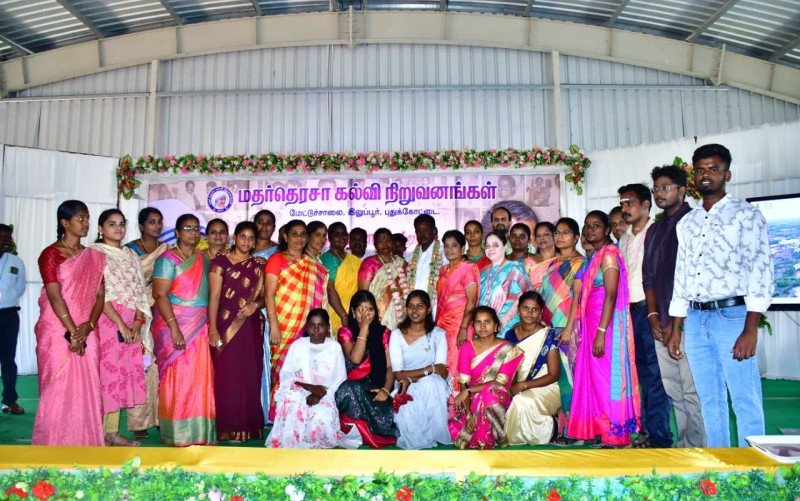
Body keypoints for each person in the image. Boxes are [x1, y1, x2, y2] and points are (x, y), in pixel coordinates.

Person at [668, 144, 773, 448]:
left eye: (713, 169)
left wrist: (750, 329)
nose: (706, 174)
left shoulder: (746, 215)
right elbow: (682, 274)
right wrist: (677, 327)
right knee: (709, 399)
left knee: (744, 398)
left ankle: (754, 468)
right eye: (700, 169)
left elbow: (760, 270)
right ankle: (721, 465)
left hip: (733, 317)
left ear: (727, 174)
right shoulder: (687, 223)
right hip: (696, 319)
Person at [33, 200, 106, 445]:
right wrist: (74, 333)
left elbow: (100, 295)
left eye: (87, 218)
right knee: (57, 384)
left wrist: (90, 326)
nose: (86, 223)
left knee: (87, 385)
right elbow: (55, 296)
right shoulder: (50, 254)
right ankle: (53, 444)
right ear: (65, 223)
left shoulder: (94, 256)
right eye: (80, 218)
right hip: (57, 328)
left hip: (87, 328)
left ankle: (86, 443)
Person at [643, 165, 705, 447]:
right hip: (660, 323)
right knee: (673, 389)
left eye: (665, 187)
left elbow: (693, 277)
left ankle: (698, 448)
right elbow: (648, 278)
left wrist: (674, 322)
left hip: (688, 321)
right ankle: (683, 446)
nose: (659, 193)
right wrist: (654, 317)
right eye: (656, 188)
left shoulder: (695, 223)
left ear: (682, 190)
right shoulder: (655, 230)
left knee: (692, 390)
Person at [567, 211, 640, 448]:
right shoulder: (595, 256)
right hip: (592, 327)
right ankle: (602, 430)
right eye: (587, 226)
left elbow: (610, 295)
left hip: (604, 328)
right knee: (595, 380)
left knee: (607, 380)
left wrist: (601, 332)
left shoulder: (608, 254)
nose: (590, 230)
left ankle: (616, 435)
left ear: (607, 229)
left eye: (596, 225)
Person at [152, 214, 216, 446]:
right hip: (175, 325)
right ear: (177, 232)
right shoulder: (166, 260)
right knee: (177, 377)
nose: (192, 232)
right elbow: (159, 295)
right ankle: (177, 432)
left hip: (200, 327)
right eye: (187, 228)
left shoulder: (203, 260)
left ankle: (199, 432)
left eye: (195, 228)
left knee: (199, 378)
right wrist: (175, 328)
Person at [618, 183, 672, 449]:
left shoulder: (658, 232)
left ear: (646, 205)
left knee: (655, 375)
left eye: (629, 203)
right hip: (630, 313)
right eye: (622, 204)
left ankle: (660, 437)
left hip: (651, 311)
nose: (624, 208)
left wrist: (658, 314)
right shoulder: (624, 238)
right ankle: (647, 431)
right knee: (640, 376)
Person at [92, 209, 150, 446]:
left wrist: (137, 322)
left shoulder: (131, 255)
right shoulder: (94, 254)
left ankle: (112, 432)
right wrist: (120, 324)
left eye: (121, 224)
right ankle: (100, 433)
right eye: (111, 224)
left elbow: (140, 291)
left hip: (131, 323)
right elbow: (98, 294)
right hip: (107, 321)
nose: (118, 228)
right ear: (100, 229)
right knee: (108, 376)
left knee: (123, 376)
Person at [266, 309, 359, 449]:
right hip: (299, 392)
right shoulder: (298, 345)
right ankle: (291, 442)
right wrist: (309, 388)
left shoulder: (334, 347)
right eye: (312, 325)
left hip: (325, 394)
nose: (316, 329)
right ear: (307, 327)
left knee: (319, 417)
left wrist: (320, 394)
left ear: (328, 327)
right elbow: (285, 375)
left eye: (320, 325)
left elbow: (340, 378)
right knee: (290, 397)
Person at [208, 221, 266, 442]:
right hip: (225, 327)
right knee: (228, 375)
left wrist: (255, 305)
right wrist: (213, 329)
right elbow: (214, 297)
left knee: (249, 373)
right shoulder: (220, 262)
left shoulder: (259, 265)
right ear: (235, 238)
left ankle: (248, 427)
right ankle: (228, 427)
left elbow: (267, 297)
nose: (247, 241)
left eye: (251, 238)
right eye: (243, 236)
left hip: (250, 327)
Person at [265, 220, 328, 421]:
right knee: (281, 369)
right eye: (294, 233)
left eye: (303, 234)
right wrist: (274, 326)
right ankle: (277, 413)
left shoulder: (311, 265)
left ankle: (299, 413)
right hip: (283, 324)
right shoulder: (276, 259)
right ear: (285, 236)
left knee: (302, 369)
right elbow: (268, 295)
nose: (299, 238)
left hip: (305, 329)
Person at [449, 306, 524, 449]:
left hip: (498, 397)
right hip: (472, 399)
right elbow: (464, 383)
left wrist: (468, 391)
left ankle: (498, 435)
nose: (482, 326)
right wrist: (469, 415)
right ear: (474, 326)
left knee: (489, 395)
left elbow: (499, 382)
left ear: (496, 326)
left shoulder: (508, 349)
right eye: (478, 322)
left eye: (487, 322)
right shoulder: (466, 348)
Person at [125, 207, 168, 440]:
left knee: (160, 366)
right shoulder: (129, 251)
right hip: (136, 313)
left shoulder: (166, 250)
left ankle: (161, 417)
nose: (157, 226)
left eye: (159, 222)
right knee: (139, 367)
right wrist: (138, 314)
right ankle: (139, 422)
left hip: (160, 312)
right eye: (152, 222)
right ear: (141, 226)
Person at [389, 291, 452, 449]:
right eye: (411, 306)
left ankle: (434, 433)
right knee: (417, 392)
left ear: (428, 309)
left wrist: (421, 374)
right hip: (405, 385)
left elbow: (440, 370)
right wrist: (429, 369)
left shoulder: (438, 334)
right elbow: (398, 374)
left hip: (432, 384)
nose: (415, 310)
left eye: (420, 306)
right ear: (406, 309)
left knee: (430, 383)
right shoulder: (397, 335)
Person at [335, 291, 396, 448]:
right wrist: (364, 327)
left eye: (370, 309)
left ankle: (366, 430)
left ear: (375, 311)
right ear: (353, 312)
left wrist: (385, 389)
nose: (365, 314)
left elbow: (390, 366)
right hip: (352, 390)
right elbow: (356, 359)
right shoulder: (345, 332)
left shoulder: (383, 332)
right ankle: (361, 431)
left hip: (376, 389)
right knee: (348, 389)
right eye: (361, 309)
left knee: (385, 410)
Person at [542, 218, 585, 430]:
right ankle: (563, 427)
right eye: (557, 232)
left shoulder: (581, 263)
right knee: (558, 379)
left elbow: (579, 298)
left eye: (565, 232)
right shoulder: (553, 264)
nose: (559, 236)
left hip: (569, 327)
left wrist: (568, 330)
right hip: (550, 327)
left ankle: (576, 428)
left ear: (576, 237)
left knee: (571, 378)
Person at [505, 292, 561, 445]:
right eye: (525, 308)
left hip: (546, 386)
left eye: (534, 309)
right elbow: (510, 368)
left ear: (540, 312)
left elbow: (554, 375)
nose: (529, 313)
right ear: (518, 310)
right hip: (519, 386)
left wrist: (522, 386)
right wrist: (511, 388)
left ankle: (553, 429)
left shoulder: (548, 335)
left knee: (521, 402)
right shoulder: (510, 335)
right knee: (511, 402)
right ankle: (547, 426)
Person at [435, 230, 479, 396]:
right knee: (442, 361)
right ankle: (443, 400)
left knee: (456, 363)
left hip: (460, 324)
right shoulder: (443, 270)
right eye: (446, 246)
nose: (449, 250)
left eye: (454, 246)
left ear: (462, 248)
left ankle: (457, 404)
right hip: (442, 324)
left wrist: (463, 328)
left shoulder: (468, 268)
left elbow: (472, 300)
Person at [479, 230, 532, 339]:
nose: (490, 249)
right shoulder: (483, 272)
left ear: (505, 247)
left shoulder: (515, 267)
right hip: (484, 327)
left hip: (508, 325)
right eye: (487, 246)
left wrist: (505, 319)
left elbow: (528, 296)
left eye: (495, 245)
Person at [252, 209, 278, 424]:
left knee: (269, 359)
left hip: (271, 312)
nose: (264, 226)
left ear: (274, 227)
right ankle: (250, 409)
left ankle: (269, 410)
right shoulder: (243, 247)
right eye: (260, 222)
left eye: (268, 222)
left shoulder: (279, 252)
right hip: (244, 313)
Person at [359, 228, 411, 330]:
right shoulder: (369, 263)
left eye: (387, 240)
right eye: (380, 241)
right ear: (375, 245)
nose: (385, 244)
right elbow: (363, 294)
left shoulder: (402, 263)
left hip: (400, 315)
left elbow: (409, 287)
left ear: (392, 243)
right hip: (376, 315)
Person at [0, 224, 26, 416]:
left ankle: (9, 401)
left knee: (8, 360)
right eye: (2, 237)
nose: (6, 241)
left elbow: (20, 288)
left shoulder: (16, 262)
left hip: (8, 316)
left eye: (8, 237)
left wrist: (6, 299)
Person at [321, 222, 357, 333]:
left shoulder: (355, 260)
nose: (342, 237)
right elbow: (329, 289)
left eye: (344, 234)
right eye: (337, 234)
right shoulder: (325, 259)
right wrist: (344, 316)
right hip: (335, 312)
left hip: (354, 312)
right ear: (330, 238)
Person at [408, 215, 444, 316]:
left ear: (434, 232)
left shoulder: (444, 254)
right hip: (413, 312)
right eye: (418, 231)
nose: (422, 234)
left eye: (425, 230)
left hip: (435, 309)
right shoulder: (410, 257)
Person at [526, 222, 558, 291]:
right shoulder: (529, 262)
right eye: (538, 235)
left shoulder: (563, 260)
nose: (542, 238)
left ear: (554, 237)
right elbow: (525, 287)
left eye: (546, 234)